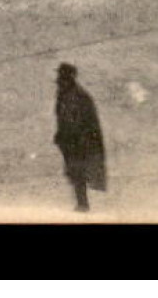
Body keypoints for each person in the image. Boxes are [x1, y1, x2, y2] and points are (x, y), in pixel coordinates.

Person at [53, 62, 107, 212]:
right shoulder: (65, 94)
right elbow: (63, 117)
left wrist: (70, 136)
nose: (58, 79)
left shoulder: (77, 95)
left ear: (68, 77)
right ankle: (81, 203)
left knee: (79, 172)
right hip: (72, 140)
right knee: (75, 171)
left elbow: (78, 120)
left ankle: (83, 204)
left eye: (61, 76)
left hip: (80, 141)